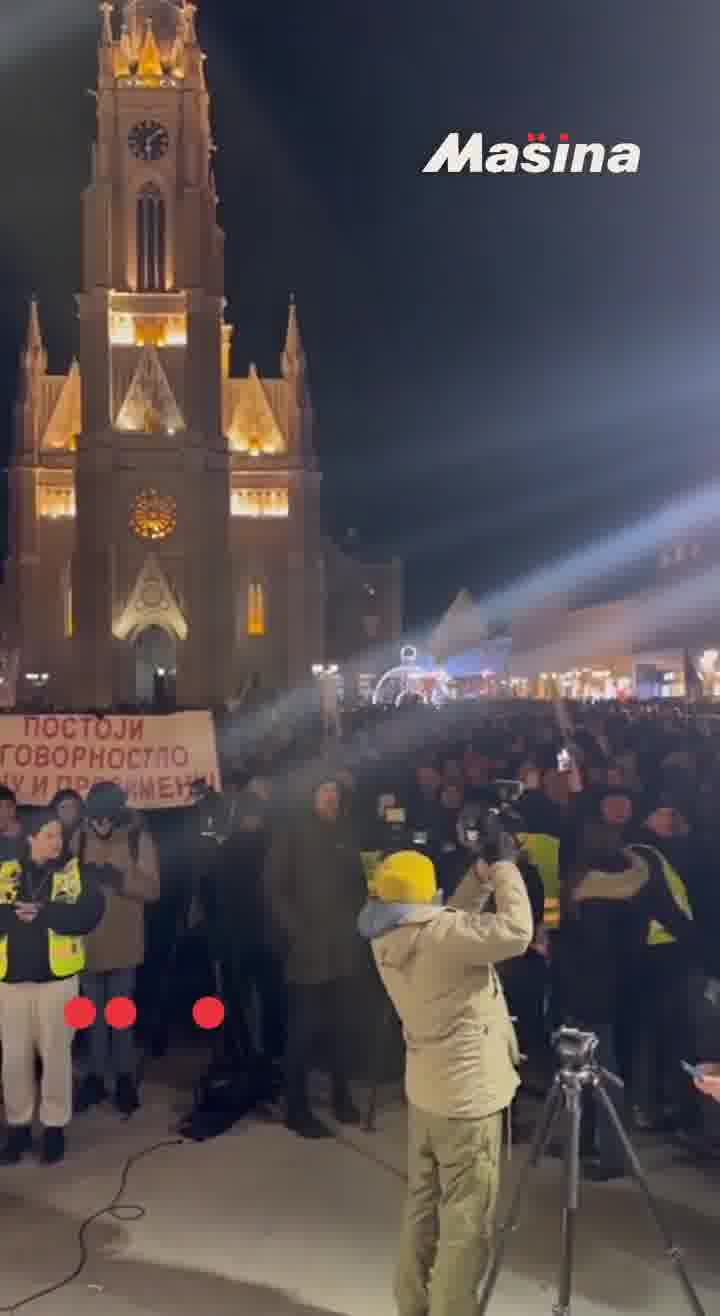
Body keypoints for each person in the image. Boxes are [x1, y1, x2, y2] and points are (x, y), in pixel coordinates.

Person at [358, 836, 533, 1316]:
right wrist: (504, 867)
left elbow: (448, 922)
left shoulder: (385, 933)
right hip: (468, 1098)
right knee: (466, 1218)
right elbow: (516, 932)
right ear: (428, 895)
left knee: (422, 1203)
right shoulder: (442, 936)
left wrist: (476, 880)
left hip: (427, 1090)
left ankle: (412, 1304)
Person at [0, 809, 107, 1164]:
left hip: (58, 984)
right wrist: (13, 915)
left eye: (60, 835)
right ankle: (17, 1127)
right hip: (10, 985)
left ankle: (54, 1127)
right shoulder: (6, 872)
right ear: (30, 837)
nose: (57, 842)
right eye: (49, 835)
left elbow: (89, 915)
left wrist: (43, 913)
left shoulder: (75, 874)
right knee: (14, 1058)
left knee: (56, 1056)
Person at [264, 769, 367, 1138]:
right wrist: (296, 932)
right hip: (307, 949)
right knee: (303, 1030)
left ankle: (341, 1095)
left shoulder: (345, 832)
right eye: (324, 790)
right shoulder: (291, 831)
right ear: (310, 795)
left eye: (334, 791)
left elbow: (357, 883)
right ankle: (297, 1107)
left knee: (342, 1026)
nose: (331, 797)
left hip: (343, 946)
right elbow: (274, 888)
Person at [74, 782, 160, 1116]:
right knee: (91, 1018)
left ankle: (124, 1077)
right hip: (88, 942)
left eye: (106, 816)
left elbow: (153, 889)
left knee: (120, 1016)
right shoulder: (79, 838)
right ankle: (95, 1078)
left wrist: (120, 879)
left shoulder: (139, 838)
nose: (101, 823)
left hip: (124, 942)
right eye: (96, 816)